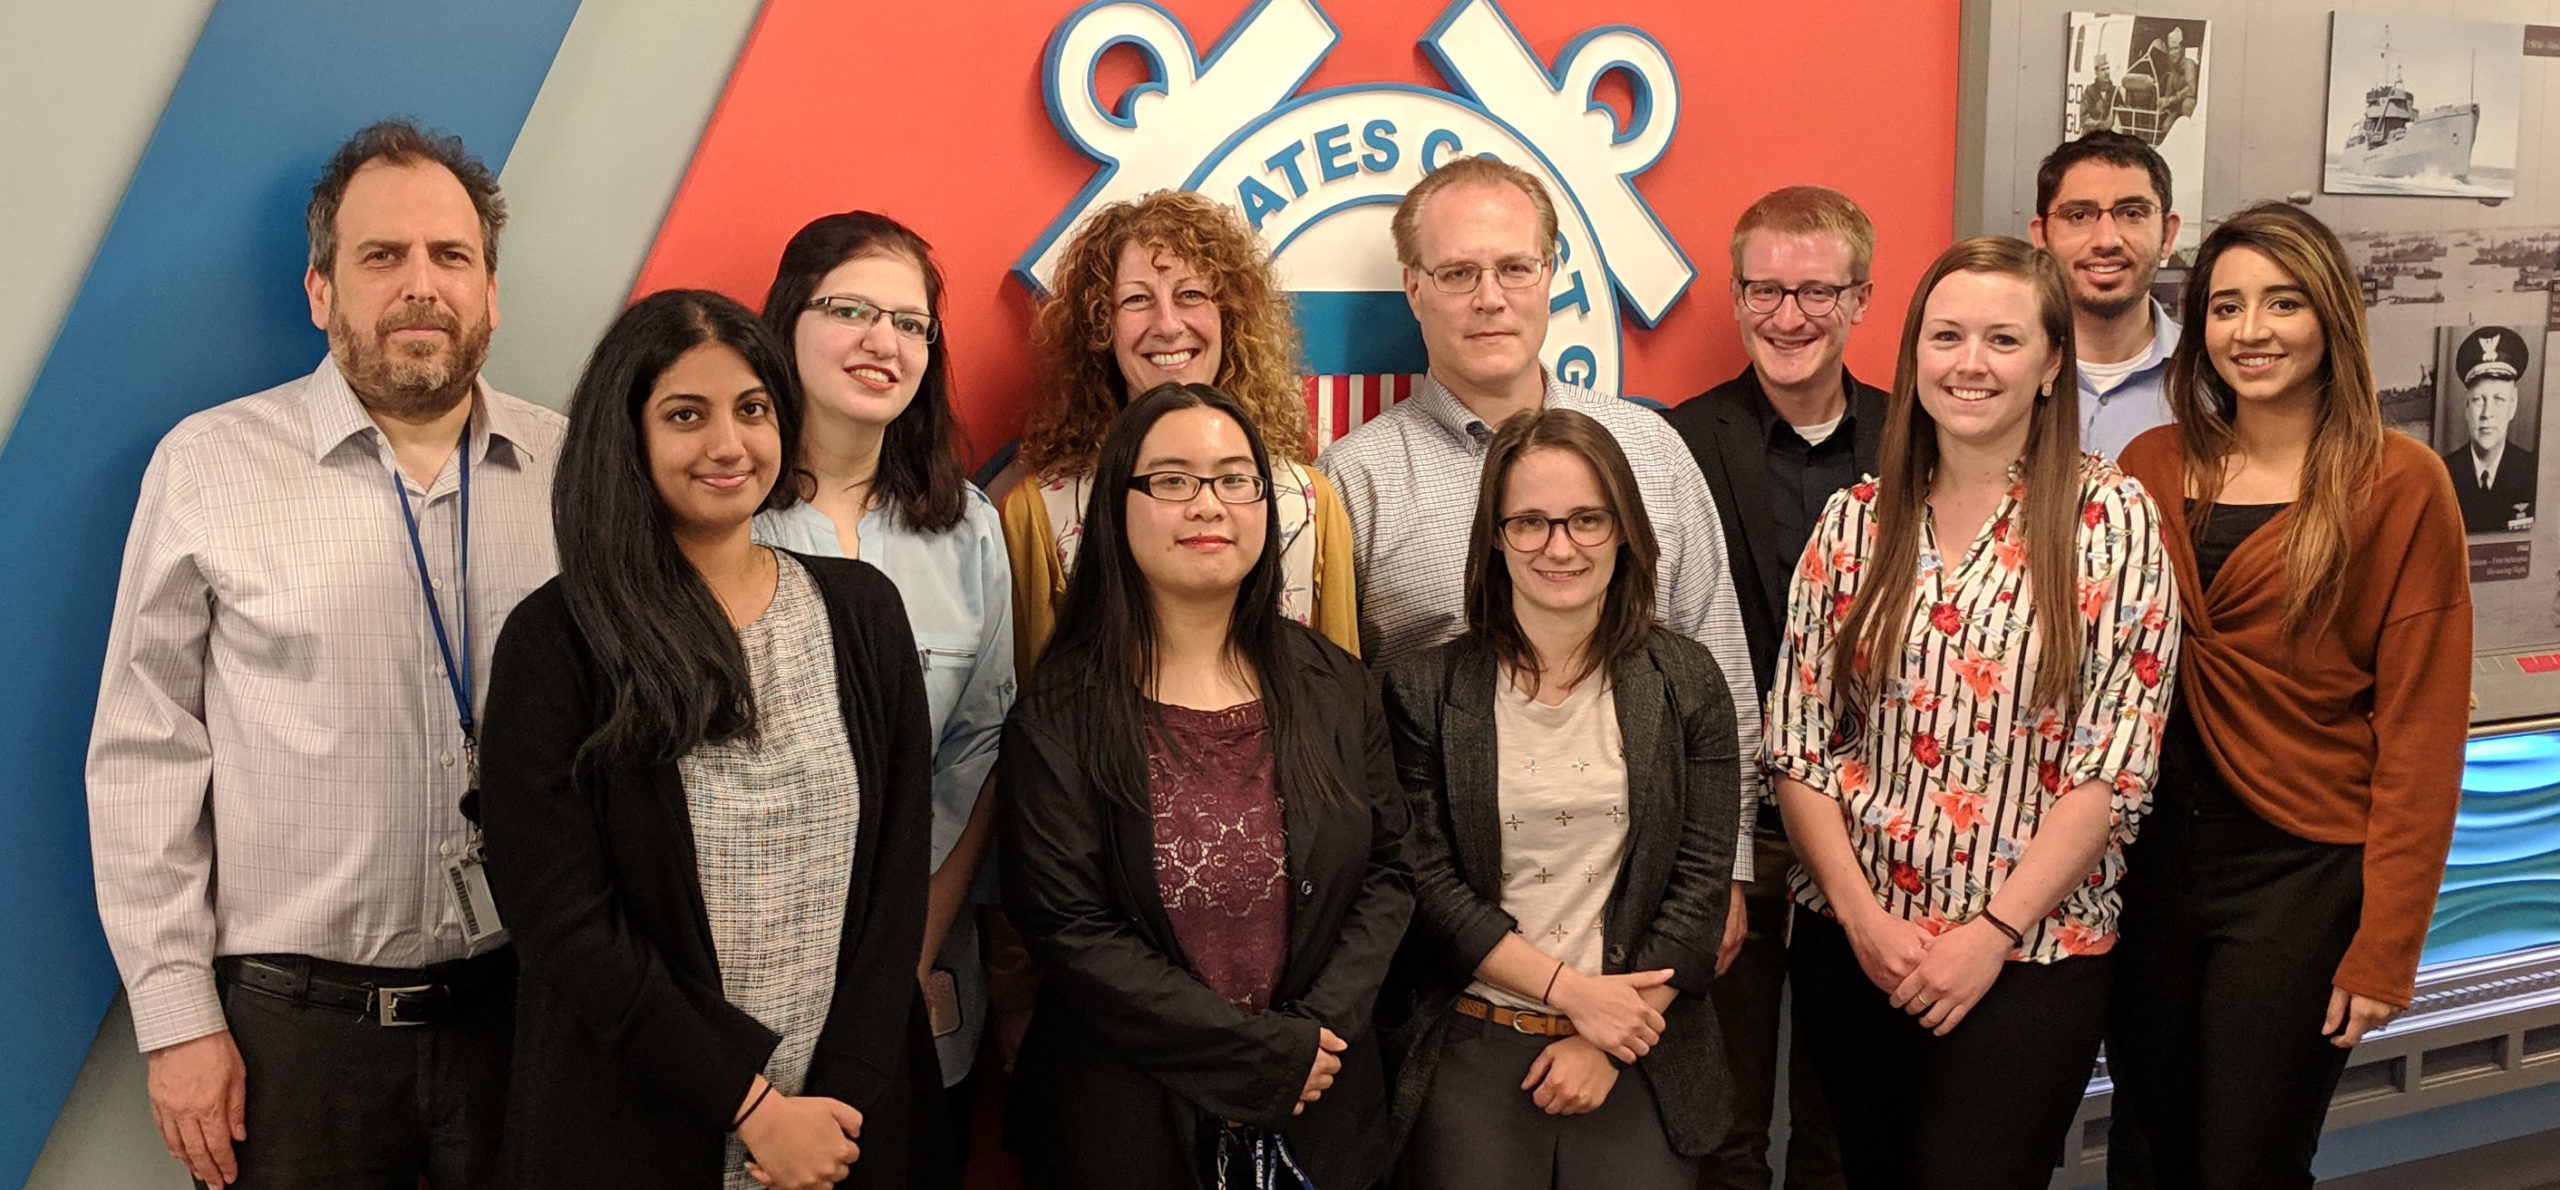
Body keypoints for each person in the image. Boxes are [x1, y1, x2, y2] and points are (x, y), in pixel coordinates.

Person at [86, 118, 555, 1190]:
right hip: (290, 1046)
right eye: (380, 256)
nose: (419, 285)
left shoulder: (569, 470)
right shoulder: (208, 465)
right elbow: (141, 754)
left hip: (523, 1014)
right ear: (320, 291)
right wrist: (174, 1021)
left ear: (492, 291)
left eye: (451, 256)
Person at [479, 290, 951, 1189]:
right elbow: (569, 926)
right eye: (686, 415)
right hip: (639, 1124)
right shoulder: (558, 641)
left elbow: (895, 876)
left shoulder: (862, 611)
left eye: (753, 409)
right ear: (629, 434)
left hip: (848, 1128)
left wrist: (839, 1104)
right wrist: (755, 1110)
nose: (728, 445)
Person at [1765, 236, 2179, 1190]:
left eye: (2002, 339)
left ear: (2048, 366)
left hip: (2027, 954)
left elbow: (2115, 768)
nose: (1971, 363)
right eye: (1947, 336)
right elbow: (1797, 746)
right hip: (1857, 943)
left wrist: (1988, 934)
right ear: (1914, 355)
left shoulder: (2109, 520)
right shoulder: (1856, 520)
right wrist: (1866, 923)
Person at [2108, 203, 2472, 1190]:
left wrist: (2384, 947)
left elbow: (2421, 734)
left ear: (2331, 318)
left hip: (2300, 872)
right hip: (2150, 866)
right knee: (2146, 1149)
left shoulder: (2399, 483)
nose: (2249, 330)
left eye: (2281, 302)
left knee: (2249, 1158)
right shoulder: (2150, 465)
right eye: (2225, 305)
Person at [1319, 154, 1761, 932]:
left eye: (1514, 267)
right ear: (1413, 287)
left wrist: (1726, 867)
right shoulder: (1353, 485)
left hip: (1646, 902)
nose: (1489, 298)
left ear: (1551, 274)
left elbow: (1718, 667)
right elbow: (1331, 724)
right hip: (1442, 910)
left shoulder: (1649, 452)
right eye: (1457, 273)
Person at [997, 383, 1412, 1189]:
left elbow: (1390, 872)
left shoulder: (1337, 685)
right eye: (1173, 480)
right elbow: (1068, 926)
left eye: (1233, 478)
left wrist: (1313, 1038)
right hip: (1126, 1124)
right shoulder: (1059, 711)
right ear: (1118, 507)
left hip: (1322, 1103)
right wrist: (1254, 1057)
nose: (1208, 505)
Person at [1381, 407, 1744, 1189]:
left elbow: (1700, 885)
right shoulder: (1424, 690)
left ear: (1624, 530)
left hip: (1640, 1048)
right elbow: (1428, 884)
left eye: (1587, 519)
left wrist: (1607, 1037)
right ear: (1495, 537)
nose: (1560, 546)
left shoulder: (1686, 683)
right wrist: (1571, 995)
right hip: (1476, 1045)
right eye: (1531, 523)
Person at [752, 211, 1012, 1155]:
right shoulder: (722, 516)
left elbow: (981, 748)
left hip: (919, 975)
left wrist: (908, 944)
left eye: (909, 323)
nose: (882, 341)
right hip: (746, 982)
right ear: (786, 323)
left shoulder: (970, 530)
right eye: (851, 309)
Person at [1661, 184, 1876, 1190]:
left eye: (1815, 291)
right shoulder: (1672, 443)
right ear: (1737, 295)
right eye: (1764, 290)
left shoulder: (1918, 435)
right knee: (1725, 1120)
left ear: (1860, 298)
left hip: (1877, 821)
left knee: (1847, 1115)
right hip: (1731, 823)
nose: (1787, 316)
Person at [1004, 189, 1358, 671]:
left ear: (1229, 315)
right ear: (1099, 327)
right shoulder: (1039, 514)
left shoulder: (1311, 505)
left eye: (1190, 295)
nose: (1168, 325)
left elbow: (1340, 701)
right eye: (1136, 300)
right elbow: (1036, 709)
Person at [2028, 131, 2183, 459]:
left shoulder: (2213, 378)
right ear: (2041, 237)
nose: (2107, 240)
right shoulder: (2003, 375)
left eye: (2132, 214)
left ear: (2168, 235)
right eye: (2079, 216)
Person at [2440, 325, 2536, 533]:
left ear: (2513, 405)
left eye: (2499, 400)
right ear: (2466, 406)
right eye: (2477, 400)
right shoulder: (2442, 474)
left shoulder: (2533, 472)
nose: (2487, 413)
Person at [2079, 56, 2118, 134]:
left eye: (2108, 68)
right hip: (2091, 135)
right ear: (2096, 72)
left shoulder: (2115, 92)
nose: (2107, 72)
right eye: (2103, 69)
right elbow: (2084, 119)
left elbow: (2122, 113)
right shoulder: (2089, 91)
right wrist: (2100, 124)